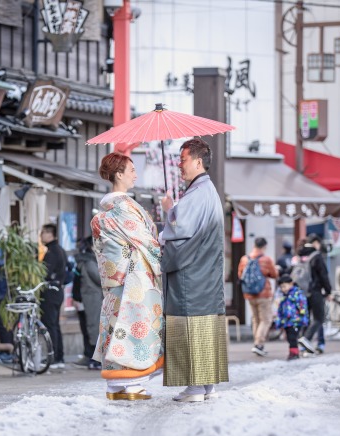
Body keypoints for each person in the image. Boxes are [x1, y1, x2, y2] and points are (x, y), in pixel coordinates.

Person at [159, 137, 228, 402]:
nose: (179, 164)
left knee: (190, 324)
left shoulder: (198, 193)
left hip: (192, 274)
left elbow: (180, 229)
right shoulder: (206, 191)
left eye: (183, 159)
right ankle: (207, 385)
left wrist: (169, 210)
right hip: (205, 273)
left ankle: (196, 386)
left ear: (198, 162)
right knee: (205, 324)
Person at [91, 152, 164, 400]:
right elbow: (146, 241)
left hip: (117, 282)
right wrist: (163, 238)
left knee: (115, 328)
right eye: (131, 170)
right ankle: (132, 383)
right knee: (134, 328)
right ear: (118, 174)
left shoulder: (112, 208)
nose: (135, 174)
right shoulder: (123, 207)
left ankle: (115, 386)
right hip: (134, 279)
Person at [237, 237, 279, 357]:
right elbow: (274, 274)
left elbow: (240, 275)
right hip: (263, 294)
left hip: (249, 294)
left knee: (256, 319)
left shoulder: (244, 259)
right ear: (264, 246)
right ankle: (258, 344)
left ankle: (257, 344)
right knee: (266, 319)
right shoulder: (266, 259)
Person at [296, 234, 333, 355]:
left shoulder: (300, 255)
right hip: (315, 291)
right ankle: (306, 339)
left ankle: (303, 345)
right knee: (319, 318)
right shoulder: (316, 256)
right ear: (316, 243)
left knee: (306, 319)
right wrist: (328, 291)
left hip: (302, 292)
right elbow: (323, 275)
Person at [40, 223, 67, 369]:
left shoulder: (51, 252)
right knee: (55, 324)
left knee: (50, 325)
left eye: (43, 232)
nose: (41, 235)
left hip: (50, 291)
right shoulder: (60, 250)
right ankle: (59, 357)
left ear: (51, 234)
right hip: (59, 290)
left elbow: (44, 273)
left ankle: (54, 358)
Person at [72, 237, 103, 370]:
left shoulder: (86, 260)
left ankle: (92, 357)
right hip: (90, 299)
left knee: (90, 328)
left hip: (88, 299)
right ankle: (93, 358)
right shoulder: (90, 262)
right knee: (91, 328)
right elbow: (100, 279)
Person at [274, 274, 309, 361]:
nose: (283, 289)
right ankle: (293, 352)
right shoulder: (284, 296)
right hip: (287, 321)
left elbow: (302, 306)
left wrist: (302, 315)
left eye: (284, 286)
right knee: (289, 337)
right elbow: (280, 309)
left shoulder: (297, 294)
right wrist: (279, 320)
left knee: (293, 337)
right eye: (281, 287)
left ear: (291, 284)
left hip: (296, 320)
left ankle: (294, 353)